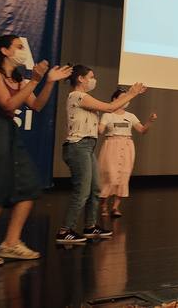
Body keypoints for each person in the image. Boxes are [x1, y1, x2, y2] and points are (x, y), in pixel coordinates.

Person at [0, 34, 71, 266]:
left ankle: (10, 243)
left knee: (28, 186)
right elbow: (8, 104)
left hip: (9, 131)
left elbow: (36, 105)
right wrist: (34, 80)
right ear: (4, 50)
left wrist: (49, 81)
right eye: (18, 47)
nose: (22, 50)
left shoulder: (18, 79)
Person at [56, 65, 146, 244]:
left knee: (95, 188)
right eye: (91, 76)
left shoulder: (84, 97)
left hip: (87, 146)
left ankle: (90, 226)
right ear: (81, 78)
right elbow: (110, 107)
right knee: (82, 191)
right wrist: (132, 93)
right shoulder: (78, 96)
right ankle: (65, 230)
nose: (93, 80)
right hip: (78, 146)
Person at [98, 88, 157, 218]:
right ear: (114, 99)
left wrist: (150, 121)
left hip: (127, 146)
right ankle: (103, 205)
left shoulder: (130, 116)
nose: (126, 100)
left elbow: (142, 130)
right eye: (123, 97)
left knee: (123, 176)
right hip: (112, 145)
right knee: (109, 175)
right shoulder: (107, 115)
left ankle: (115, 207)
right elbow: (100, 130)